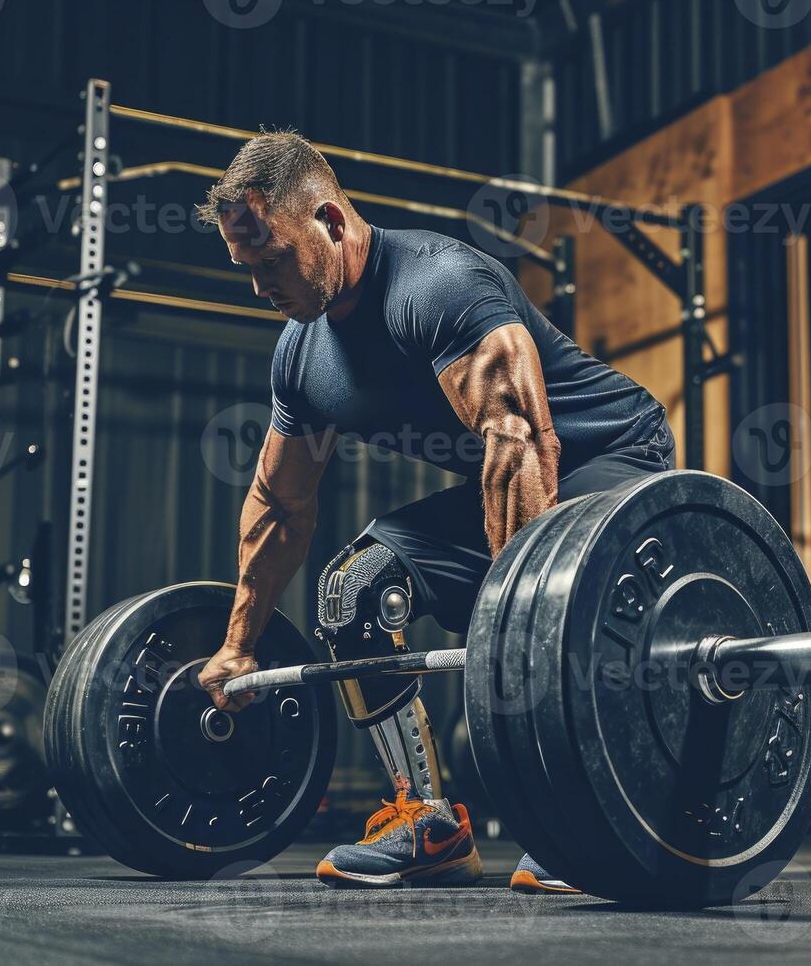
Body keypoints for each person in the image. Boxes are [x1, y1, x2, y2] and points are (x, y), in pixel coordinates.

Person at [193, 131, 675, 893]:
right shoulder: (301, 355)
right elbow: (281, 507)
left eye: (274, 261)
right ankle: (429, 824)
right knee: (353, 588)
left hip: (609, 458)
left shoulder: (439, 283)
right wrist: (238, 646)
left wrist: (519, 617)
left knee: (554, 610)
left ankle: (578, 817)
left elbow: (517, 441)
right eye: (246, 269)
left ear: (330, 221)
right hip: (508, 481)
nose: (261, 287)